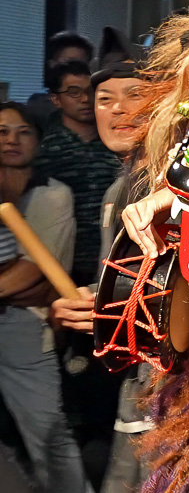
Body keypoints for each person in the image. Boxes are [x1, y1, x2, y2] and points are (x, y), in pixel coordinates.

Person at [49, 27, 152, 493]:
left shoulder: (173, 185)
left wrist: (107, 306)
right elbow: (120, 279)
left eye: (134, 95)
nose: (118, 110)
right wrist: (91, 300)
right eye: (105, 98)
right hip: (135, 378)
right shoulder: (120, 184)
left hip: (173, 383)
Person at [0, 102, 84, 493]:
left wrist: (26, 280)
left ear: (38, 139)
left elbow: (41, 274)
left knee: (48, 430)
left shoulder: (53, 194)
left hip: (31, 325)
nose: (11, 140)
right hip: (19, 311)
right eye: (1, 131)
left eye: (23, 132)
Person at [37, 60, 121, 287]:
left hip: (111, 257)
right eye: (74, 92)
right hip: (58, 259)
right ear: (56, 99)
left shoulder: (118, 143)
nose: (85, 99)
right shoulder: (42, 148)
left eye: (91, 91)